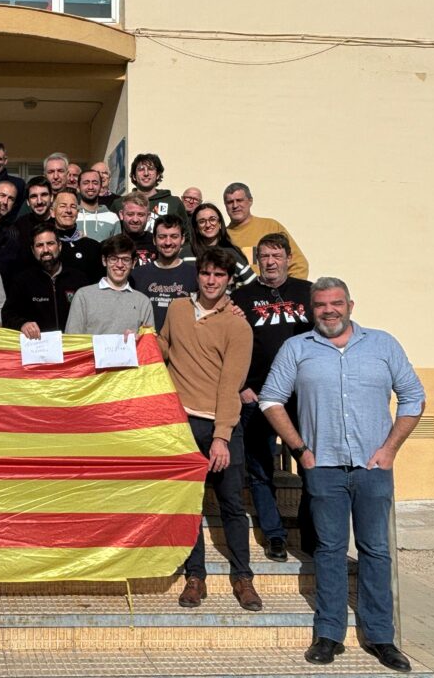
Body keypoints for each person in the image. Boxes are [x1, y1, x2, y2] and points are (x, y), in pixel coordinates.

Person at [260, 277, 424, 672]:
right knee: (329, 552)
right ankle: (329, 634)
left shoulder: (383, 344)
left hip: (373, 468)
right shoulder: (296, 349)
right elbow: (270, 399)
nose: (329, 310)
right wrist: (301, 451)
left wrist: (389, 450)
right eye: (320, 304)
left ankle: (380, 637)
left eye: (336, 303)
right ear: (310, 308)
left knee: (376, 551)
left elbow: (414, 396)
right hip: (324, 469)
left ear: (351, 305)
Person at [156, 248, 259, 612]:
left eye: (219, 275)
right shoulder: (178, 309)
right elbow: (163, 348)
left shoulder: (237, 324)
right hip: (180, 424)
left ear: (229, 279)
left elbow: (231, 385)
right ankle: (194, 576)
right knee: (190, 507)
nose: (212, 281)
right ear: (197, 275)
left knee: (231, 505)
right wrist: (136, 339)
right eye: (206, 274)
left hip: (220, 426)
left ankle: (243, 578)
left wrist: (221, 436)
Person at [231, 233, 314, 563]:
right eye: (264, 256)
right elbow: (230, 343)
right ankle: (275, 535)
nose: (270, 261)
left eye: (276, 255)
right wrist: (240, 386)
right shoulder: (242, 297)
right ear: (257, 260)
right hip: (258, 395)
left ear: (287, 257)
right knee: (261, 472)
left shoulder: (307, 293)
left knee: (310, 467)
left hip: (301, 396)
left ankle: (311, 534)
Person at [3, 225, 89, 337]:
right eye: (39, 245)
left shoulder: (79, 279)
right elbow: (8, 314)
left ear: (60, 246)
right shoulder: (23, 281)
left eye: (50, 243)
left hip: (72, 348)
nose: (45, 250)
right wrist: (22, 324)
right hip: (38, 347)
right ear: (33, 250)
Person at [65, 234, 154, 335]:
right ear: (104, 260)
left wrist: (138, 340)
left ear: (133, 263)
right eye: (113, 259)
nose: (119, 265)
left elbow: (148, 345)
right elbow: (73, 340)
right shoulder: (83, 296)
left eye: (125, 259)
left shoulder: (142, 302)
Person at [223, 182, 309, 278]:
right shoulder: (223, 237)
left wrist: (289, 290)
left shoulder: (271, 227)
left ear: (250, 201)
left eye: (239, 200)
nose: (235, 206)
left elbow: (299, 265)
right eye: (230, 202)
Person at [130, 215, 197, 330]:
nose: (168, 242)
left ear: (182, 239)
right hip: (146, 343)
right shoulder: (137, 275)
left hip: (180, 344)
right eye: (162, 237)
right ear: (154, 240)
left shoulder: (195, 275)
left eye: (174, 236)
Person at [189, 203, 257, 291]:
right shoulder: (186, 253)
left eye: (212, 219)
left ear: (220, 223)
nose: (208, 225)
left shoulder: (232, 254)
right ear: (196, 227)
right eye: (202, 221)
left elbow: (252, 285)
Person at [123, 153, 189, 233]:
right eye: (141, 169)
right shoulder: (120, 203)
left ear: (158, 175)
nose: (146, 173)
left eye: (151, 169)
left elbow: (186, 236)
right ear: (134, 176)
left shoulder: (174, 203)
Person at [51, 188, 103, 282]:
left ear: (77, 213)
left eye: (73, 206)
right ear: (52, 212)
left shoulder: (93, 247)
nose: (68, 210)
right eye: (63, 206)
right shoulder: (46, 246)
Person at [111, 192, 155, 265]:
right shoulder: (111, 244)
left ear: (148, 216)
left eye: (140, 215)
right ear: (121, 215)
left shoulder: (156, 244)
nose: (135, 220)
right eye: (130, 214)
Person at [13, 176, 54, 254]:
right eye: (34, 196)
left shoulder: (59, 223)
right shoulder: (20, 225)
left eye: (44, 195)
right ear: (28, 201)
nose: (39, 201)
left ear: (51, 197)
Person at [76, 168, 120, 241]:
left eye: (95, 183)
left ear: (100, 186)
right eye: (86, 183)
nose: (91, 187)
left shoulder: (112, 218)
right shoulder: (70, 215)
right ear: (78, 187)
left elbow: (117, 250)